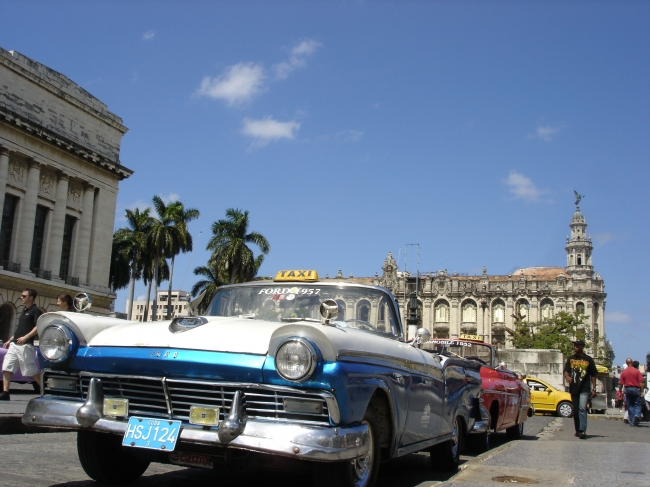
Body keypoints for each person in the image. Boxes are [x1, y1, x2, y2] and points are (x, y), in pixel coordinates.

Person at [0, 289, 43, 400]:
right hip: (15, 344)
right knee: (7, 367)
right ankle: (5, 392)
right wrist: (10, 340)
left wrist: (26, 337)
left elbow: (38, 327)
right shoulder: (23, 310)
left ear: (31, 298)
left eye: (24, 296)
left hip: (26, 345)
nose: (21, 297)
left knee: (30, 371)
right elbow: (19, 329)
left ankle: (46, 390)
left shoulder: (36, 311)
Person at [563, 339, 598, 439]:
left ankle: (582, 430)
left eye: (577, 346)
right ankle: (577, 430)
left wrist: (594, 389)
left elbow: (593, 375)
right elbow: (566, 371)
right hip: (574, 387)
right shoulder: (571, 359)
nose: (575, 347)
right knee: (576, 410)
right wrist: (567, 377)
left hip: (585, 388)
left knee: (582, 408)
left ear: (582, 347)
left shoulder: (588, 360)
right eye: (574, 345)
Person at [619, 360, 644, 426]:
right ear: (632, 363)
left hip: (628, 389)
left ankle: (632, 421)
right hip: (636, 388)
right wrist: (642, 391)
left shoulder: (624, 372)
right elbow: (641, 382)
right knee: (637, 404)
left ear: (626, 363)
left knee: (630, 405)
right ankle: (637, 415)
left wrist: (620, 392)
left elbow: (621, 384)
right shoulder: (637, 371)